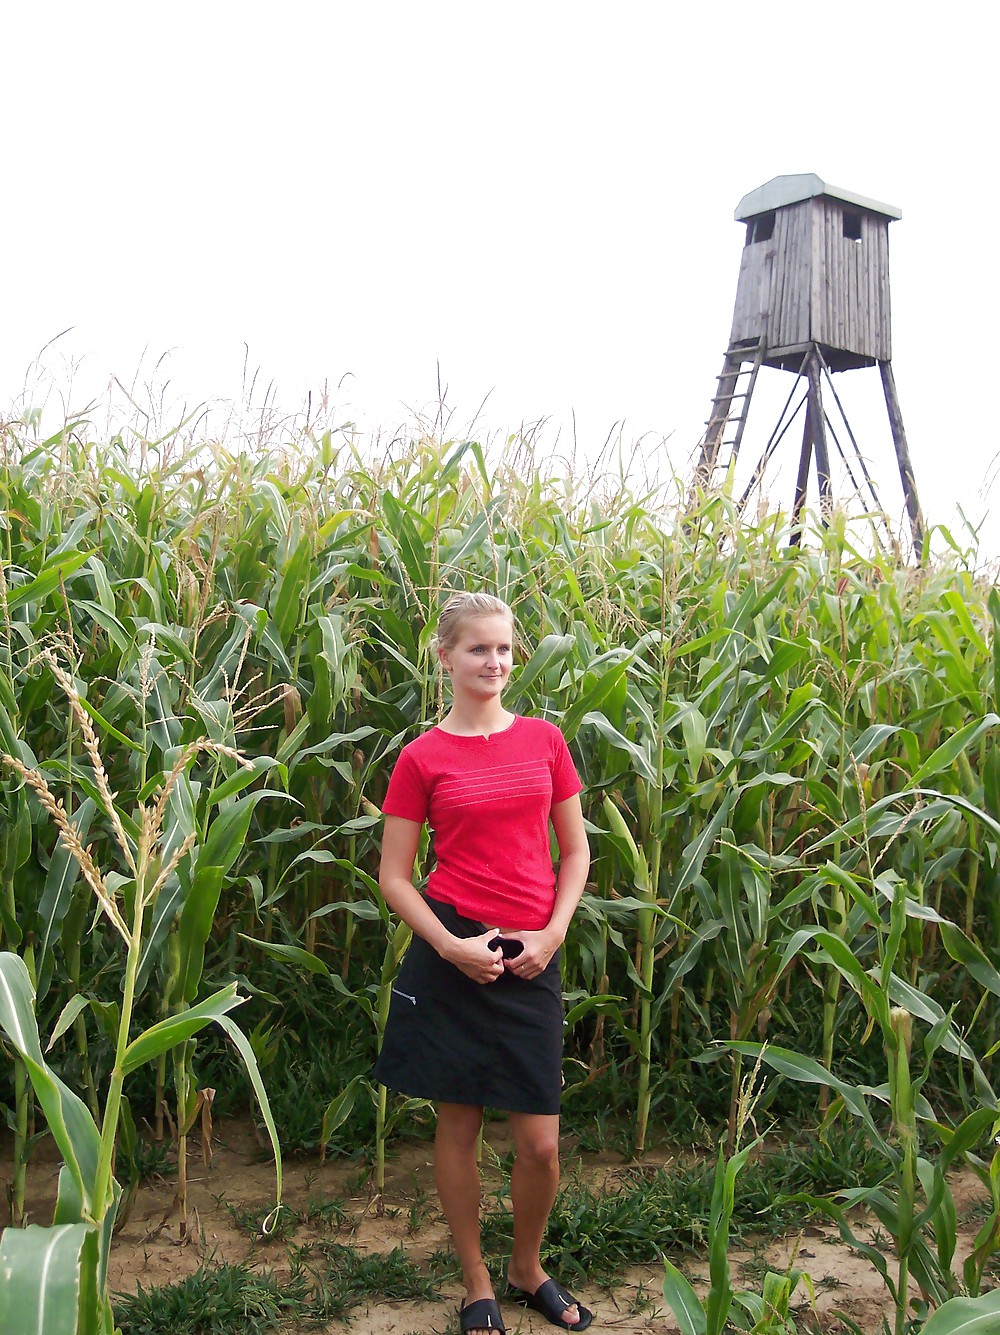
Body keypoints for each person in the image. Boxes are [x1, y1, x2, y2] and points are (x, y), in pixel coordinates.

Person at [375, 591, 593, 1335]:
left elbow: (577, 850)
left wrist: (554, 934)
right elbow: (395, 876)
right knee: (458, 1122)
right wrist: (449, 945)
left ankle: (526, 1266)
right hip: (455, 950)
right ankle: (475, 1275)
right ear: (445, 656)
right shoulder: (421, 758)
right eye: (478, 649)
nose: (495, 662)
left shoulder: (545, 740)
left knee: (539, 1142)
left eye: (503, 649)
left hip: (533, 951)